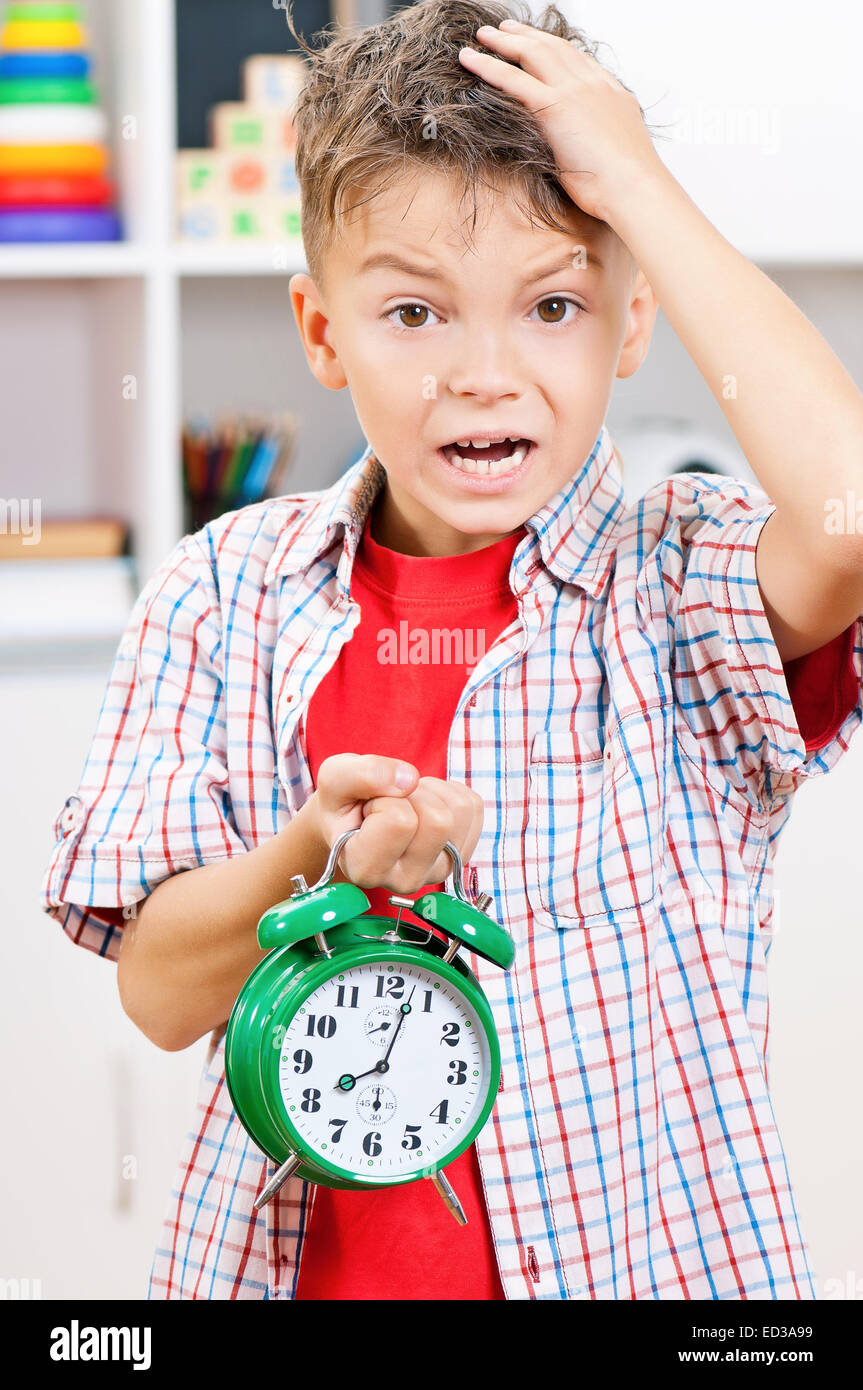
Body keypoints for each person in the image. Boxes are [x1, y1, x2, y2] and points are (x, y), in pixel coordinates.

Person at [40, 0, 863, 1300]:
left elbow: (850, 514)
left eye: (551, 304)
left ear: (630, 324)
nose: (487, 371)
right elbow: (156, 991)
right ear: (322, 333)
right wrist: (312, 859)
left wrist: (636, 185)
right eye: (416, 315)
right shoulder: (222, 594)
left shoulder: (675, 584)